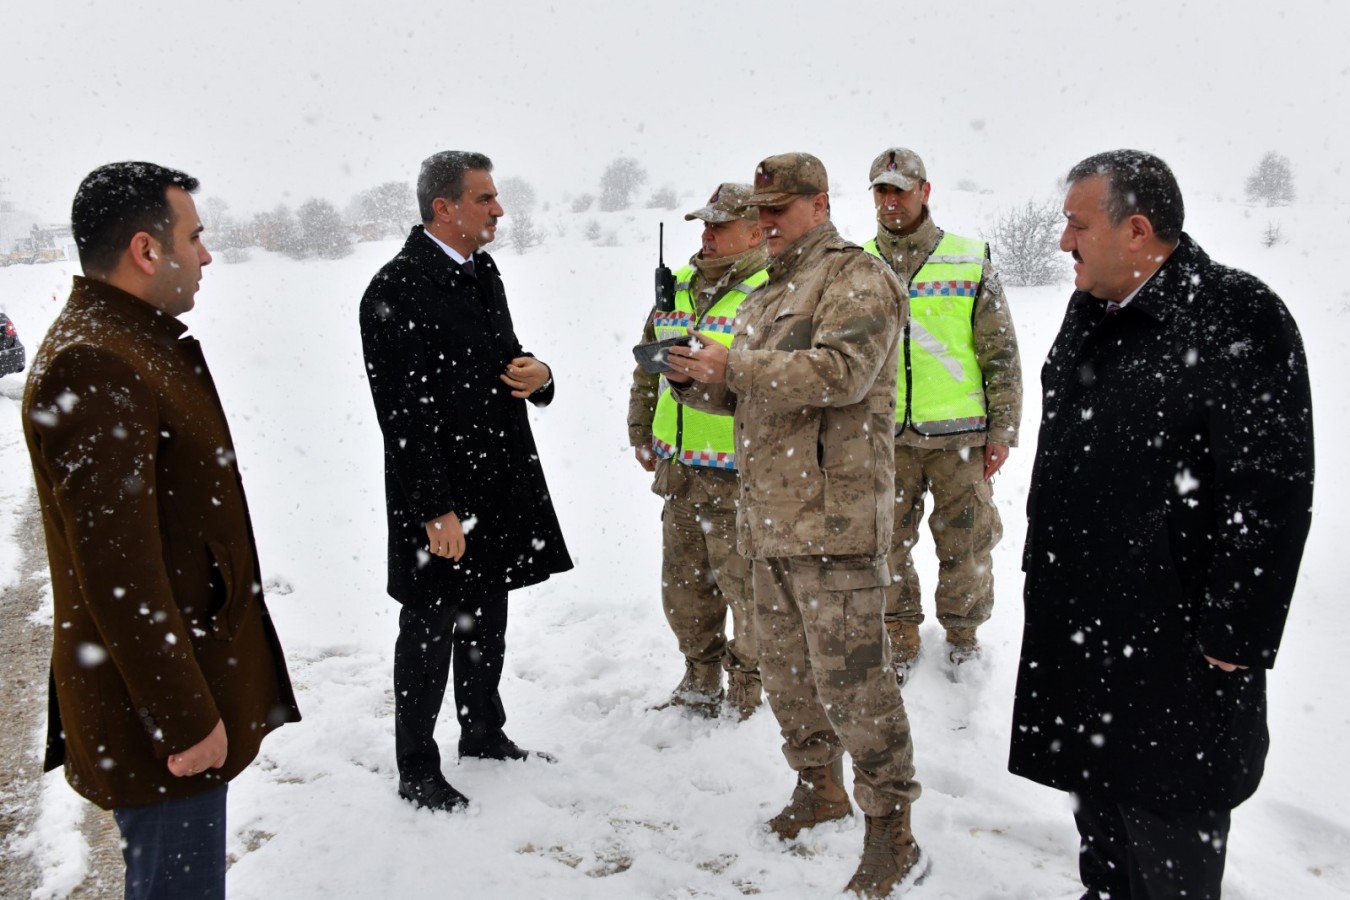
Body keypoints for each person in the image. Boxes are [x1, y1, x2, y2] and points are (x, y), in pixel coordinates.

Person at [1009, 149, 1314, 899]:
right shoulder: (1093, 309)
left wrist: (1236, 635)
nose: (1062, 243)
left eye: (1077, 225)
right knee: (1104, 830)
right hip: (1086, 628)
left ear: (1137, 229)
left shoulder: (1238, 315)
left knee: (1170, 841)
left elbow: (1271, 491)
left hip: (1176, 647)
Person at [22, 161, 301, 900]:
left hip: (170, 696)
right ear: (148, 250)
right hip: (160, 724)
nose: (206, 256)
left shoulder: (126, 339)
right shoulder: (96, 361)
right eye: (194, 237)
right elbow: (119, 576)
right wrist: (183, 722)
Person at [667, 153, 926, 898]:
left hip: (835, 521)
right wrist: (699, 381)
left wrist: (735, 368)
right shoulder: (767, 292)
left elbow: (841, 373)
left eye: (779, 213)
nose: (768, 226)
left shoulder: (856, 277)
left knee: (857, 684)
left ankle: (893, 832)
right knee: (787, 675)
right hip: (769, 518)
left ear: (819, 205)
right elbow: (752, 399)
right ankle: (819, 788)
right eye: (762, 214)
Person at [359, 151, 573, 814]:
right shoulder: (395, 288)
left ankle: (482, 731)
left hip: (495, 483)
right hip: (440, 497)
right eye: (485, 198)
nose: (499, 209)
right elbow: (403, 416)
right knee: (428, 629)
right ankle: (416, 766)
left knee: (487, 615)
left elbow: (504, 359)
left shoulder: (482, 273)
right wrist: (435, 511)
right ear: (445, 209)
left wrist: (541, 376)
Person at [861, 147, 1022, 677]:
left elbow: (1000, 352)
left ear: (924, 192)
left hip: (961, 439)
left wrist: (1003, 429)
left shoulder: (970, 259)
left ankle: (963, 632)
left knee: (969, 544)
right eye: (881, 190)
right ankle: (899, 629)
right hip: (883, 437)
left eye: (899, 190)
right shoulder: (857, 264)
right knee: (884, 543)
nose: (890, 201)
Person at [628, 182, 768, 720]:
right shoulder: (677, 287)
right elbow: (647, 371)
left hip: (740, 475)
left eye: (720, 225)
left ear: (756, 231)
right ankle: (700, 674)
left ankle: (749, 685)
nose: (707, 235)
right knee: (685, 592)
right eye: (704, 225)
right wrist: (642, 430)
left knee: (750, 595)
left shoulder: (771, 291)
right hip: (680, 472)